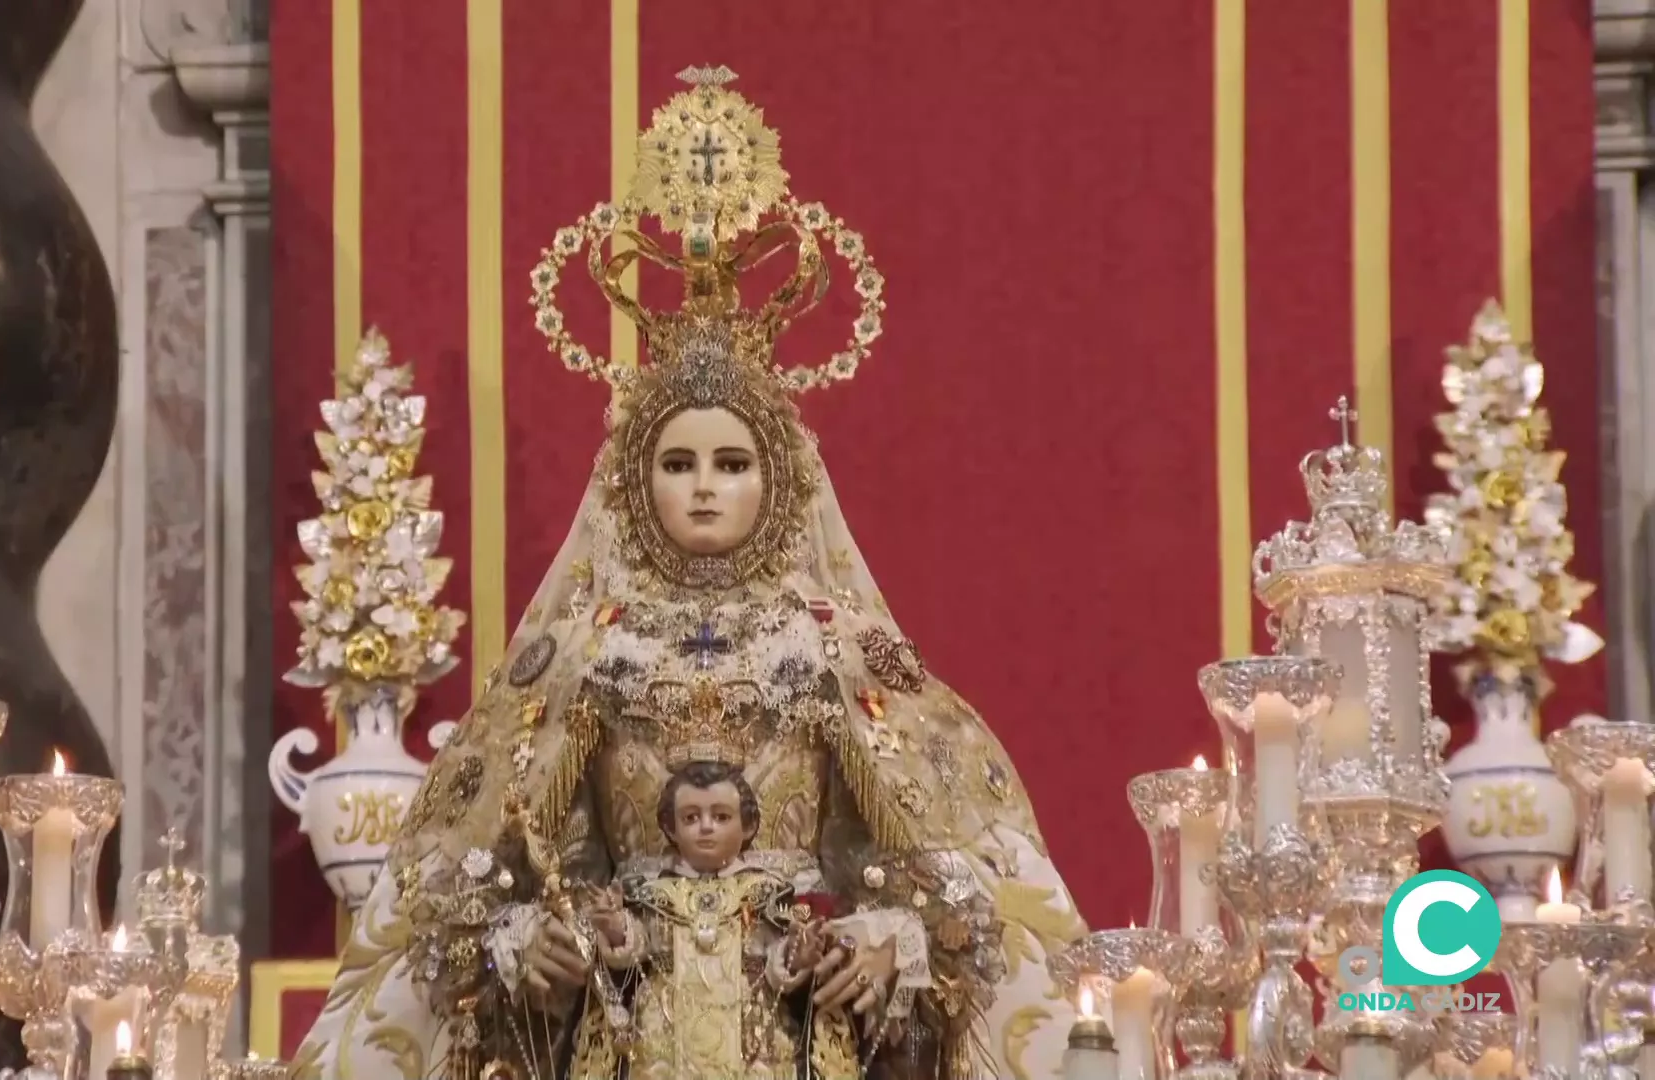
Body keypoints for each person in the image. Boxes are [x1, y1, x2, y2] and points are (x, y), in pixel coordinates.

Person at [293, 67, 1085, 1080]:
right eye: (678, 464)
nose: (704, 488)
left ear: (778, 480)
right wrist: (521, 944)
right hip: (625, 1037)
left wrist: (891, 938)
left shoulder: (831, 646)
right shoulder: (585, 651)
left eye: (731, 463)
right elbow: (467, 891)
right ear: (634, 481)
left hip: (798, 1040)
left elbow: (964, 893)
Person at [574, 720, 862, 1079]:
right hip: (663, 1030)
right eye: (691, 817)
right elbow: (635, 951)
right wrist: (617, 929)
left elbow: (777, 963)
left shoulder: (768, 892)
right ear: (670, 828)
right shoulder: (650, 891)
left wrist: (796, 956)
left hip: (751, 1028)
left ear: (747, 826)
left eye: (721, 816)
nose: (706, 827)